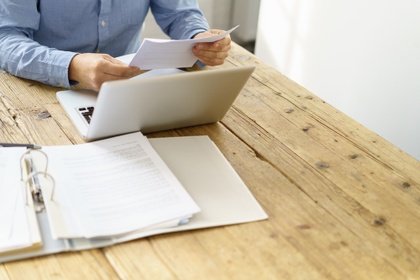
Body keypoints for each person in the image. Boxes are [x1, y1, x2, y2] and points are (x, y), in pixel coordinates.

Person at [0, 1, 231, 91]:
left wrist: (200, 38)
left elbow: (180, 14)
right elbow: (6, 39)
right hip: (44, 88)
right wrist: (72, 66)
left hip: (130, 87)